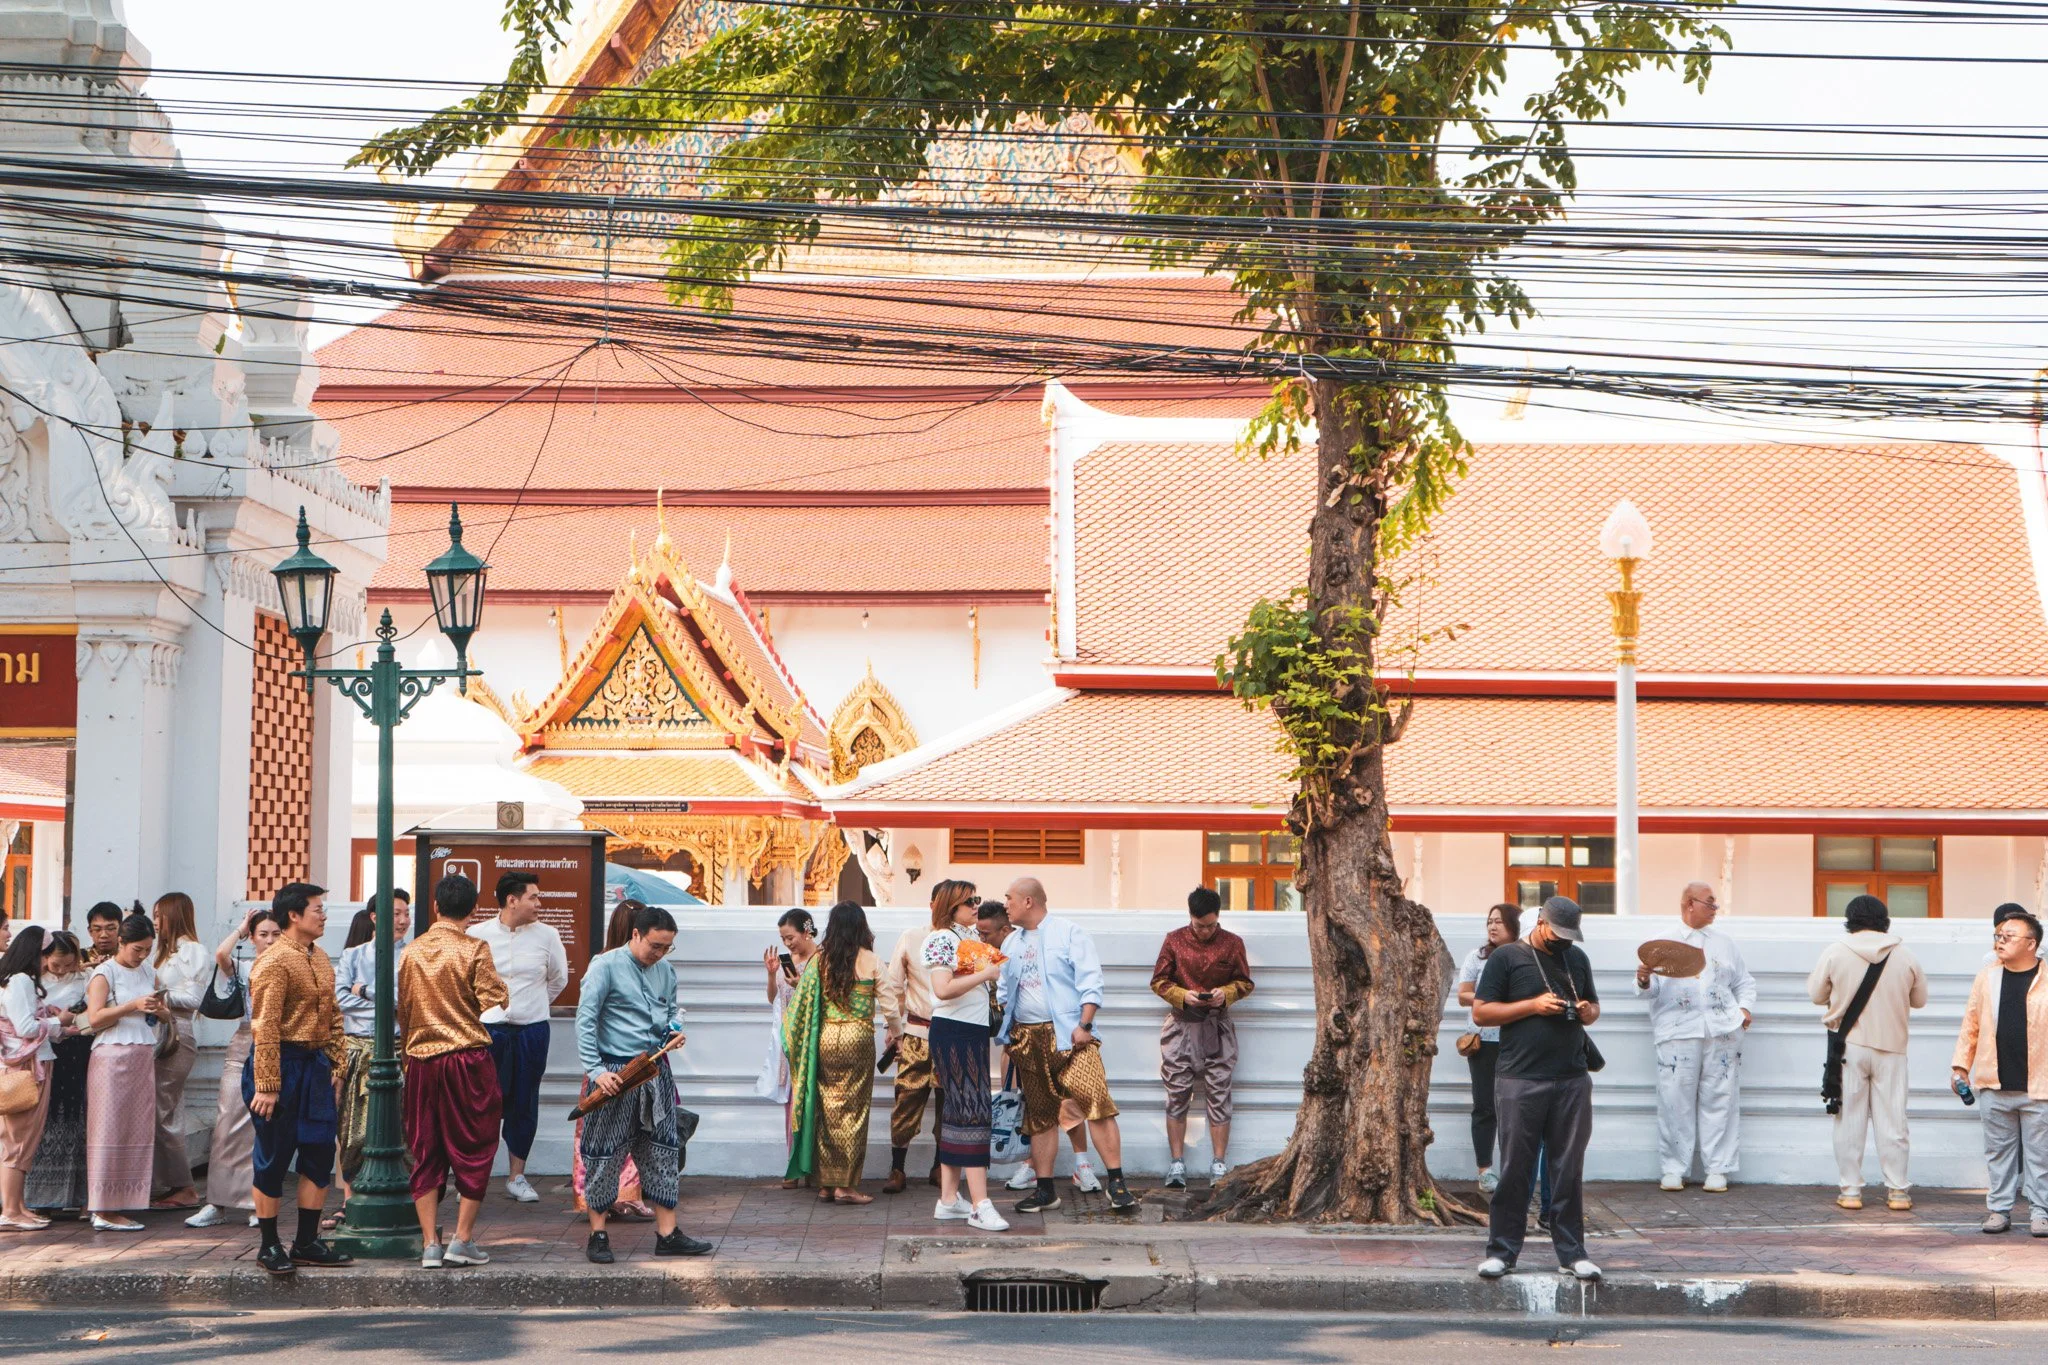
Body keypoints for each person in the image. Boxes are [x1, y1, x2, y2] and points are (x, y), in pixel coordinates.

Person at [1473, 895, 1603, 1283]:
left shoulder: (1576, 958)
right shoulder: (1507, 958)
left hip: (1572, 1078)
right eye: (1558, 933)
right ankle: (1502, 1252)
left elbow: (1594, 1008)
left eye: (1570, 936)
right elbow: (1481, 1011)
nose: (1564, 941)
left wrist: (1586, 1012)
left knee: (1567, 1169)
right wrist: (1532, 1005)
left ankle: (1572, 1253)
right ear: (1541, 924)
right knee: (1516, 1168)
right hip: (1519, 1078)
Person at [576, 903, 712, 1264]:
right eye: (655, 945)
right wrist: (596, 1071)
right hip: (614, 1073)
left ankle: (667, 1234)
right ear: (635, 934)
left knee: (663, 1150)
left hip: (653, 1071)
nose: (660, 953)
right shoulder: (604, 966)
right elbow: (585, 1021)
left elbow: (670, 1013)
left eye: (667, 947)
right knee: (604, 1153)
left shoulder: (665, 971)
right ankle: (598, 1234)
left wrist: (674, 1032)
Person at [995, 878, 1135, 1213]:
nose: (1006, 905)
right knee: (1040, 1115)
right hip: (1028, 1038)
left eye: (1010, 899)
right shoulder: (1011, 943)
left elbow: (1091, 980)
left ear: (1029, 901)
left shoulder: (1069, 932)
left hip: (1072, 1036)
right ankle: (1045, 1189)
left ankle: (1116, 1183)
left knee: (1095, 1104)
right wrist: (1010, 1030)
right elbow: (1004, 992)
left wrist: (1084, 1025)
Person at [400, 873, 508, 1269]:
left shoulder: (411, 951)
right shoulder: (475, 947)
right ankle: (461, 1238)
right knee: (475, 1147)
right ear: (473, 910)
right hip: (466, 1058)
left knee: (426, 1148)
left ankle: (430, 1242)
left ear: (435, 907)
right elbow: (495, 997)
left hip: (422, 1061)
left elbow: (405, 1010)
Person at [243, 882, 351, 1276]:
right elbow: (265, 1026)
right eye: (317, 908)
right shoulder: (274, 961)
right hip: (280, 1064)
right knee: (272, 1157)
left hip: (314, 1064)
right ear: (294, 915)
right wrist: (268, 1085)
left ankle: (306, 1241)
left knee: (319, 1153)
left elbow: (334, 1015)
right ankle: (269, 1245)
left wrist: (336, 1065)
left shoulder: (319, 957)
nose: (323, 915)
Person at [1809, 894, 1928, 1212]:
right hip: (1892, 1049)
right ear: (1884, 921)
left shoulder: (1835, 952)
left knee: (1849, 1120)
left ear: (1849, 920)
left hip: (1850, 1048)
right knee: (1893, 1122)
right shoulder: (1905, 955)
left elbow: (1815, 994)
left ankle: (1850, 1190)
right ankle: (1898, 1191)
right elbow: (1919, 1000)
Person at [1635, 882, 1757, 1193]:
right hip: (1678, 1031)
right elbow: (1649, 992)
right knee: (1675, 1100)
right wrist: (1644, 979)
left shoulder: (1725, 944)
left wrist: (1743, 1010)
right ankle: (1675, 1168)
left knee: (1721, 1098)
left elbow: (1744, 982)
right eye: (1709, 903)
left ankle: (1718, 1168)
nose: (1715, 909)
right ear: (1690, 903)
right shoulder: (1662, 943)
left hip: (1721, 1031)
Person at [982, 900, 1099, 1196]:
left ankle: (1082, 1164)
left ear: (1005, 928)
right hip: (1017, 1039)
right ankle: (1033, 1165)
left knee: (1068, 1101)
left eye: (987, 933)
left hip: (1056, 1034)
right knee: (1030, 1105)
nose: (983, 939)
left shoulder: (1036, 941)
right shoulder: (987, 954)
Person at [469, 871, 568, 1205]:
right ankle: (475, 1176)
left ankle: (517, 1175)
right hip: (488, 1029)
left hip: (531, 1030)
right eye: (533, 897)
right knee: (481, 1103)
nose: (539, 904)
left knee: (524, 1101)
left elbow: (558, 979)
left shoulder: (548, 935)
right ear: (512, 900)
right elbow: (467, 983)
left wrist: (530, 1005)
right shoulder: (476, 935)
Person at [1151, 887, 1255, 1189]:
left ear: (1218, 917)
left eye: (1210, 925)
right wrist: (1185, 996)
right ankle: (1176, 1163)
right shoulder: (1173, 940)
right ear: (1190, 918)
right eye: (1199, 926)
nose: (1206, 931)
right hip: (1181, 1026)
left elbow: (1245, 983)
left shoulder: (1233, 943)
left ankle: (1219, 1164)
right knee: (1177, 1094)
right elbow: (1158, 981)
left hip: (1217, 1026)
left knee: (1220, 1093)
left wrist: (1227, 994)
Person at [1953, 908, 2048, 1235]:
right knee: (1998, 1153)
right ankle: (1999, 1210)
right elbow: (1971, 1023)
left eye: (2009, 937)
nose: (2000, 941)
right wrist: (1961, 1066)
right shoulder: (1987, 976)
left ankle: (2040, 1211)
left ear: (2031, 943)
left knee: (2040, 1156)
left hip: (2039, 1085)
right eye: (1998, 936)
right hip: (1994, 1082)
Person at [186, 909, 282, 1229]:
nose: (269, 940)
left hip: (278, 1048)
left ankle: (260, 1201)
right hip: (243, 1043)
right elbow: (220, 954)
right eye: (263, 934)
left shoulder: (288, 966)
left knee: (265, 1129)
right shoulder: (245, 966)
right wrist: (241, 928)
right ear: (253, 938)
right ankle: (217, 1201)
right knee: (226, 1123)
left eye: (275, 934)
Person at [923, 884, 1009, 1231]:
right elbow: (942, 989)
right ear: (951, 906)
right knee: (974, 1111)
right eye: (969, 901)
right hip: (954, 1030)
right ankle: (979, 1204)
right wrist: (985, 975)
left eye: (976, 899)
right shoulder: (942, 938)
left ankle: (948, 1199)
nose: (976, 906)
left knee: (960, 1112)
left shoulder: (964, 936)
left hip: (968, 1031)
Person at [783, 901, 881, 1204]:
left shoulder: (818, 962)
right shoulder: (871, 960)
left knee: (826, 1110)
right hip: (859, 1038)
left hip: (825, 1038)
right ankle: (845, 1186)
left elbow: (799, 1007)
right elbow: (891, 1000)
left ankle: (825, 1183)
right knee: (853, 1111)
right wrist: (898, 1034)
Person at [880, 880, 974, 1194]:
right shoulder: (912, 937)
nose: (973, 907)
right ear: (940, 903)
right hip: (917, 1033)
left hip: (954, 1033)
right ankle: (897, 1168)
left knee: (951, 1103)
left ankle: (938, 1166)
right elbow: (893, 988)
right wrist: (893, 1032)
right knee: (906, 1098)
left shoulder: (970, 942)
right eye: (967, 902)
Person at [82, 911, 167, 1231]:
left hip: (142, 1054)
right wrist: (133, 1006)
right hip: (111, 1057)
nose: (142, 955)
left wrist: (161, 1010)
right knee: (109, 1128)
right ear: (122, 942)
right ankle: (103, 1208)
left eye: (148, 949)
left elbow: (164, 1017)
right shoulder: (105, 973)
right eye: (137, 949)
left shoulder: (149, 973)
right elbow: (95, 1018)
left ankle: (127, 1200)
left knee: (136, 1129)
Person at [574, 900, 654, 1221]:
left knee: (626, 1128)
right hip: (612, 1063)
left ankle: (620, 1195)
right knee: (606, 1130)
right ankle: (601, 1198)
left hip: (631, 1060)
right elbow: (588, 1017)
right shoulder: (604, 964)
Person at [1, 926, 74, 1230]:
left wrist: (55, 1025)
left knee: (23, 1141)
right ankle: (10, 1210)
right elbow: (26, 1028)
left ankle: (17, 1205)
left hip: (32, 1064)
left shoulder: (16, 980)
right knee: (18, 1142)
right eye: (46, 957)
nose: (47, 964)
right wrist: (59, 1020)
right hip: (26, 1068)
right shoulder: (19, 981)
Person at [147, 892, 208, 1209]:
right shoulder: (162, 953)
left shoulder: (192, 951)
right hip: (155, 1031)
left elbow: (195, 999)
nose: (156, 923)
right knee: (161, 1108)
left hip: (176, 1031)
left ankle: (183, 1186)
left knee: (161, 1109)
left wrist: (157, 995)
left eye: (160, 916)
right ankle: (168, 1182)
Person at [23, 931, 90, 1216]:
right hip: (48, 1052)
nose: (61, 970)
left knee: (78, 1119)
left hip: (79, 1053)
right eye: (55, 964)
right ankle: (39, 1199)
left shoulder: (85, 980)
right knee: (46, 1120)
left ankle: (81, 1196)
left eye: (67, 964)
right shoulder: (35, 983)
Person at [1455, 904, 1520, 1195]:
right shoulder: (1477, 957)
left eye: (1499, 922)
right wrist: (1490, 1000)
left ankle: (1514, 1169)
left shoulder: (1524, 956)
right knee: (1484, 1106)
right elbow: (1462, 995)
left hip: (1516, 1041)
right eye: (1489, 922)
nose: (1493, 927)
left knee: (1515, 1107)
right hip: (1483, 1042)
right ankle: (1485, 1170)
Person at [757, 908, 818, 1186]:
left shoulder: (821, 960)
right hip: (788, 1041)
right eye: (783, 939)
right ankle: (793, 1164)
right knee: (792, 1105)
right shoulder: (786, 962)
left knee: (813, 1103)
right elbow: (775, 1000)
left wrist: (802, 984)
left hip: (813, 1037)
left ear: (807, 931)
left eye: (791, 937)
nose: (788, 944)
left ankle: (815, 1166)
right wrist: (772, 974)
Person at [331, 905, 381, 1210]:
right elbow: (341, 1000)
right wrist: (389, 1007)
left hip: (383, 1045)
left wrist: (366, 992)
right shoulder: (354, 956)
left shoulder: (408, 955)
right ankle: (351, 1199)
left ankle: (350, 1200)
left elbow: (408, 1000)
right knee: (351, 1129)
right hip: (356, 1046)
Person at [81, 901, 121, 969]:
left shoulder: (129, 957)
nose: (103, 935)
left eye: (110, 928)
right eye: (97, 929)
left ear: (121, 929)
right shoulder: (77, 958)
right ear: (90, 931)